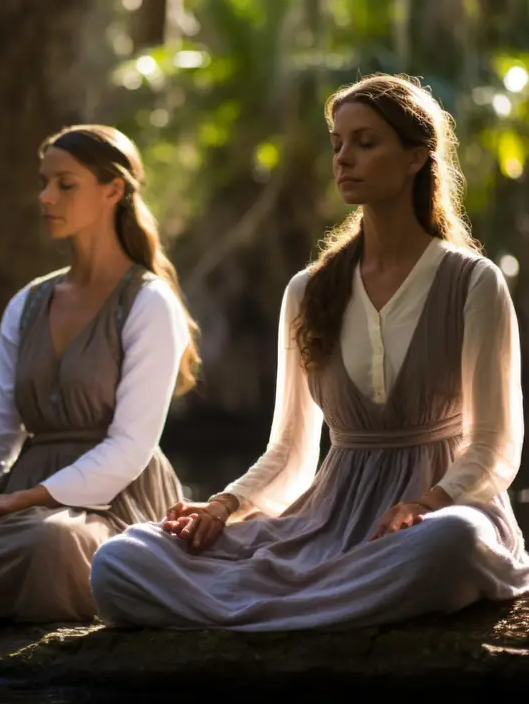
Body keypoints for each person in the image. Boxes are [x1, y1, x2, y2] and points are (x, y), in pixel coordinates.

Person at [91, 74, 529, 631]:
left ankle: (271, 608)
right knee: (118, 561)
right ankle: (315, 603)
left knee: (456, 544)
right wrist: (223, 506)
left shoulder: (472, 283)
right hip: (324, 526)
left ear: (417, 157)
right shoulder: (308, 290)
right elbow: (292, 453)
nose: (344, 158)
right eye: (338, 143)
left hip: (430, 522)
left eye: (366, 143)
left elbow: (495, 443)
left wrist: (429, 502)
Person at [0, 124, 199, 628]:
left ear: (113, 191)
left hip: (112, 503)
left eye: (65, 184)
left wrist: (24, 499)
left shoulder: (147, 302)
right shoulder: (28, 303)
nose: (45, 197)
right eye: (43, 182)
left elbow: (129, 448)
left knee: (49, 542)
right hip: (18, 498)